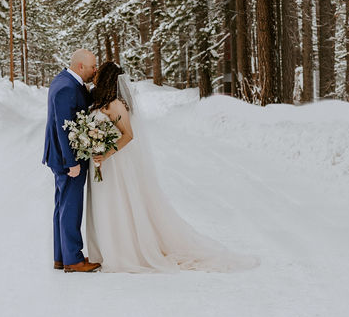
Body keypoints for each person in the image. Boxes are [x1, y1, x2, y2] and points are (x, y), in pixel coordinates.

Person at [85, 62, 257, 273]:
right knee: (106, 203)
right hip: (103, 164)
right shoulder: (99, 102)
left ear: (106, 79)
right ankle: (105, 248)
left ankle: (123, 251)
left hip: (114, 163)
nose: (95, 76)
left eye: (98, 74)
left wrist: (106, 153)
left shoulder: (116, 105)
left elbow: (128, 135)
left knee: (117, 202)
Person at [42, 49, 101, 272]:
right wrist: (72, 163)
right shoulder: (66, 87)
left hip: (64, 157)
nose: (94, 70)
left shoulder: (66, 80)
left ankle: (61, 256)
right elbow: (62, 128)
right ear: (80, 67)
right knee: (71, 208)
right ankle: (73, 260)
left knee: (62, 206)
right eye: (92, 67)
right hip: (68, 159)